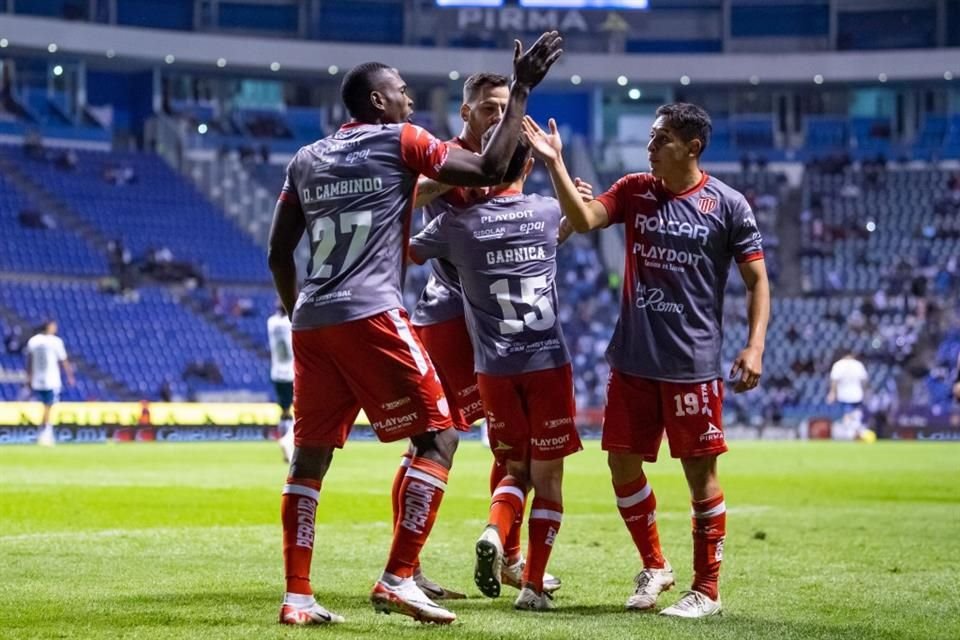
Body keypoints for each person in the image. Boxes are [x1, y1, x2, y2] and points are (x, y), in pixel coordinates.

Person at [267, 32, 562, 626]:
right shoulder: (401, 141)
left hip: (312, 320)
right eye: (401, 92)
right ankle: (398, 577)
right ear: (378, 102)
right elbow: (489, 165)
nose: (408, 101)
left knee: (309, 461)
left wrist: (300, 308)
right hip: (373, 313)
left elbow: (279, 250)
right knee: (440, 437)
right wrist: (524, 87)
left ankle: (298, 595)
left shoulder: (306, 158)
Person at [523, 103, 770, 619]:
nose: (650, 147)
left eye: (661, 139)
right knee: (621, 465)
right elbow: (586, 219)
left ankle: (707, 590)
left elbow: (757, 280)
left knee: (700, 477)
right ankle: (655, 565)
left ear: (692, 147)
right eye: (652, 138)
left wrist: (755, 345)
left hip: (692, 365)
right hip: (632, 361)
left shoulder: (728, 205)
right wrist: (554, 164)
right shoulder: (636, 189)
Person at [403, 71, 566, 600]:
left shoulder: (512, 165)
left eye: (505, 107)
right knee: (432, 439)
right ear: (466, 114)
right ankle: (408, 566)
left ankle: (512, 556)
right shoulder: (443, 156)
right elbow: (409, 196)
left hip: (495, 324)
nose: (499, 116)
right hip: (449, 316)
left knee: (510, 443)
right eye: (489, 108)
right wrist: (475, 170)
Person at [24, 320, 75, 446]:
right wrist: (70, 376)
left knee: (43, 405)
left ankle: (43, 430)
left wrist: (29, 377)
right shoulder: (56, 341)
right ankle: (45, 432)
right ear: (49, 327)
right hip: (51, 379)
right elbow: (64, 360)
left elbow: (29, 362)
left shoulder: (33, 341)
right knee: (49, 405)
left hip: (37, 379)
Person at [267, 302, 296, 463]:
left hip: (276, 372)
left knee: (284, 411)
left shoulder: (271, 322)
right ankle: (288, 440)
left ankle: (285, 438)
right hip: (292, 373)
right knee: (299, 410)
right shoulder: (290, 322)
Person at [827, 351, 869, 440]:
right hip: (857, 394)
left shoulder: (838, 365)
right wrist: (865, 392)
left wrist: (832, 393)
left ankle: (851, 433)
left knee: (847, 414)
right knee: (856, 413)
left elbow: (834, 381)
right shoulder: (858, 364)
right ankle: (856, 430)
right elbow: (864, 381)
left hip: (844, 395)